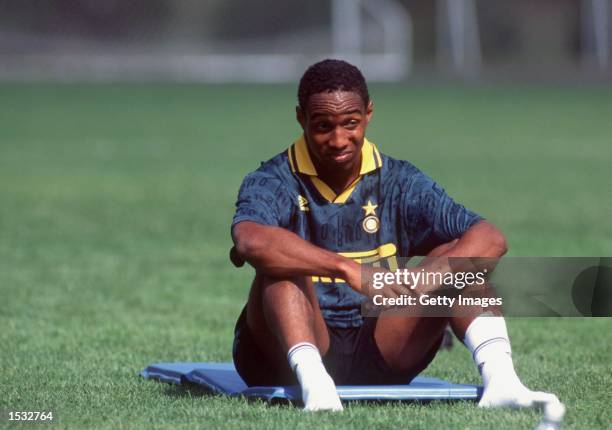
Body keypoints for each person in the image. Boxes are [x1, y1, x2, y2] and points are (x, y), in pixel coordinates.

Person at [229, 59, 559, 411]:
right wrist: (350, 270)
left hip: (383, 348)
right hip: (286, 357)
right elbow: (251, 240)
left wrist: (417, 285)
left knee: (461, 260)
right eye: (323, 126)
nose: (338, 139)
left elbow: (491, 238)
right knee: (280, 263)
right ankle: (316, 385)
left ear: (369, 113)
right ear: (300, 119)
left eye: (350, 124)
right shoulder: (273, 178)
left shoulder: (401, 181)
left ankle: (503, 383)